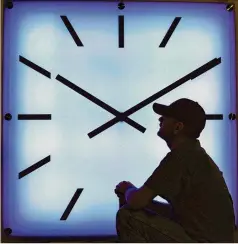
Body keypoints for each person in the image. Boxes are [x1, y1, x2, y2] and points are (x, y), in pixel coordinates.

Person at [115, 98, 235, 242]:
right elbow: (175, 213)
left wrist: (127, 189)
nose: (160, 119)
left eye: (166, 117)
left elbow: (137, 201)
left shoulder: (180, 157)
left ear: (178, 127)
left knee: (127, 216)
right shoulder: (194, 154)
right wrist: (136, 196)